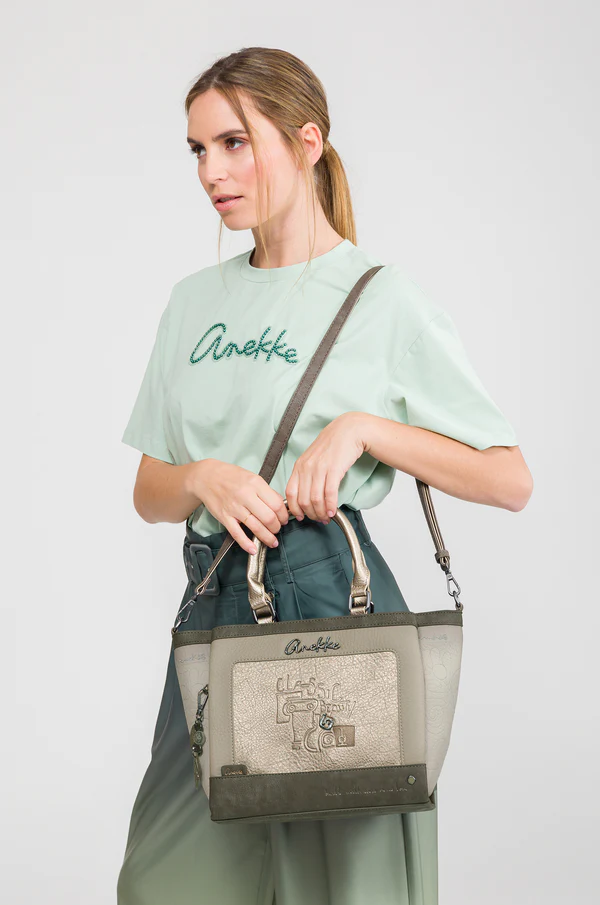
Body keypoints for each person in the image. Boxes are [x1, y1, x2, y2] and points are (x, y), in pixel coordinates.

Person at [116, 46, 533, 905]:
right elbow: (149, 488)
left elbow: (509, 479)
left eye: (235, 143)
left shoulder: (382, 298)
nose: (211, 172)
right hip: (216, 611)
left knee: (348, 887)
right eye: (198, 149)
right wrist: (203, 478)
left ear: (307, 142)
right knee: (162, 883)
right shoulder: (192, 302)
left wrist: (366, 431)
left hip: (332, 612)